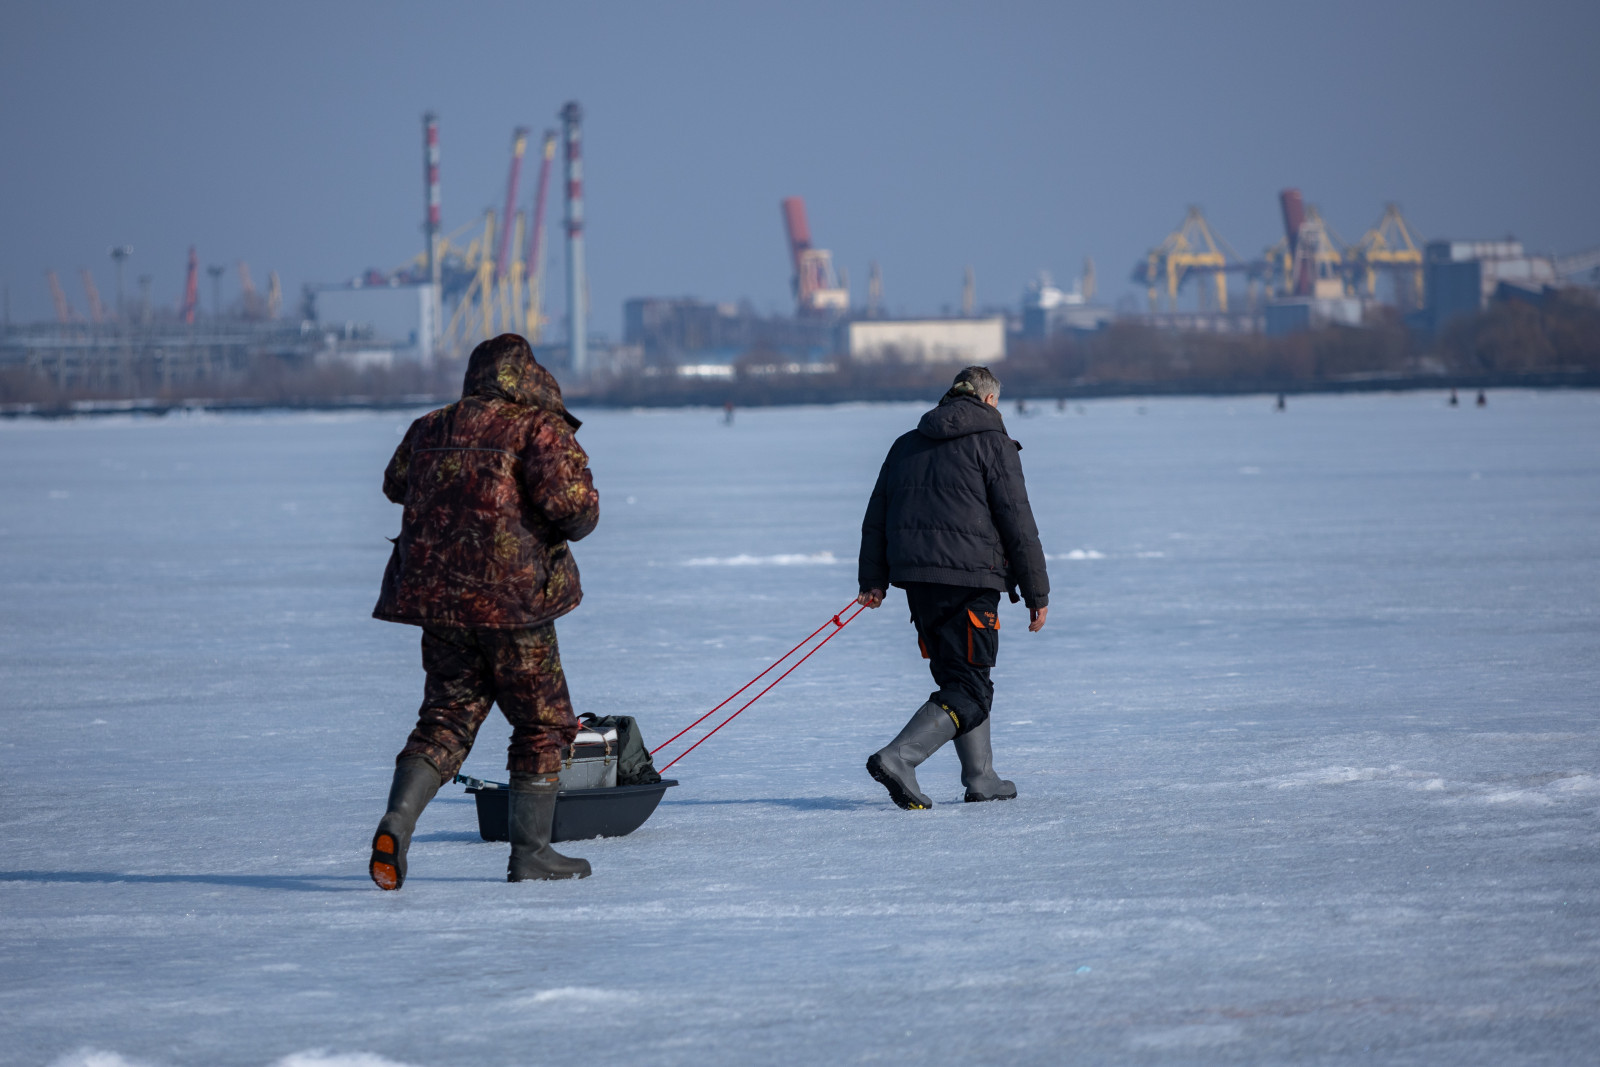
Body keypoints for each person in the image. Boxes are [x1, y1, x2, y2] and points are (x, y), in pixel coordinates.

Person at [367, 334, 599, 889]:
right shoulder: (535, 428)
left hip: (439, 602)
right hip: (513, 604)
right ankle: (532, 854)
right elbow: (577, 513)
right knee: (542, 723)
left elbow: (394, 484)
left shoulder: (430, 426)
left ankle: (397, 821)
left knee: (446, 717)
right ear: (526, 377)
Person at [856, 366, 1050, 809]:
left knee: (962, 678)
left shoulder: (906, 443)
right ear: (989, 401)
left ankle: (981, 777)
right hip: (970, 579)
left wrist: (874, 580)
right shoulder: (994, 444)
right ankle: (899, 758)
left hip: (918, 583)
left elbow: (877, 516)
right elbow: (1018, 522)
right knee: (969, 687)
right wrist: (1037, 593)